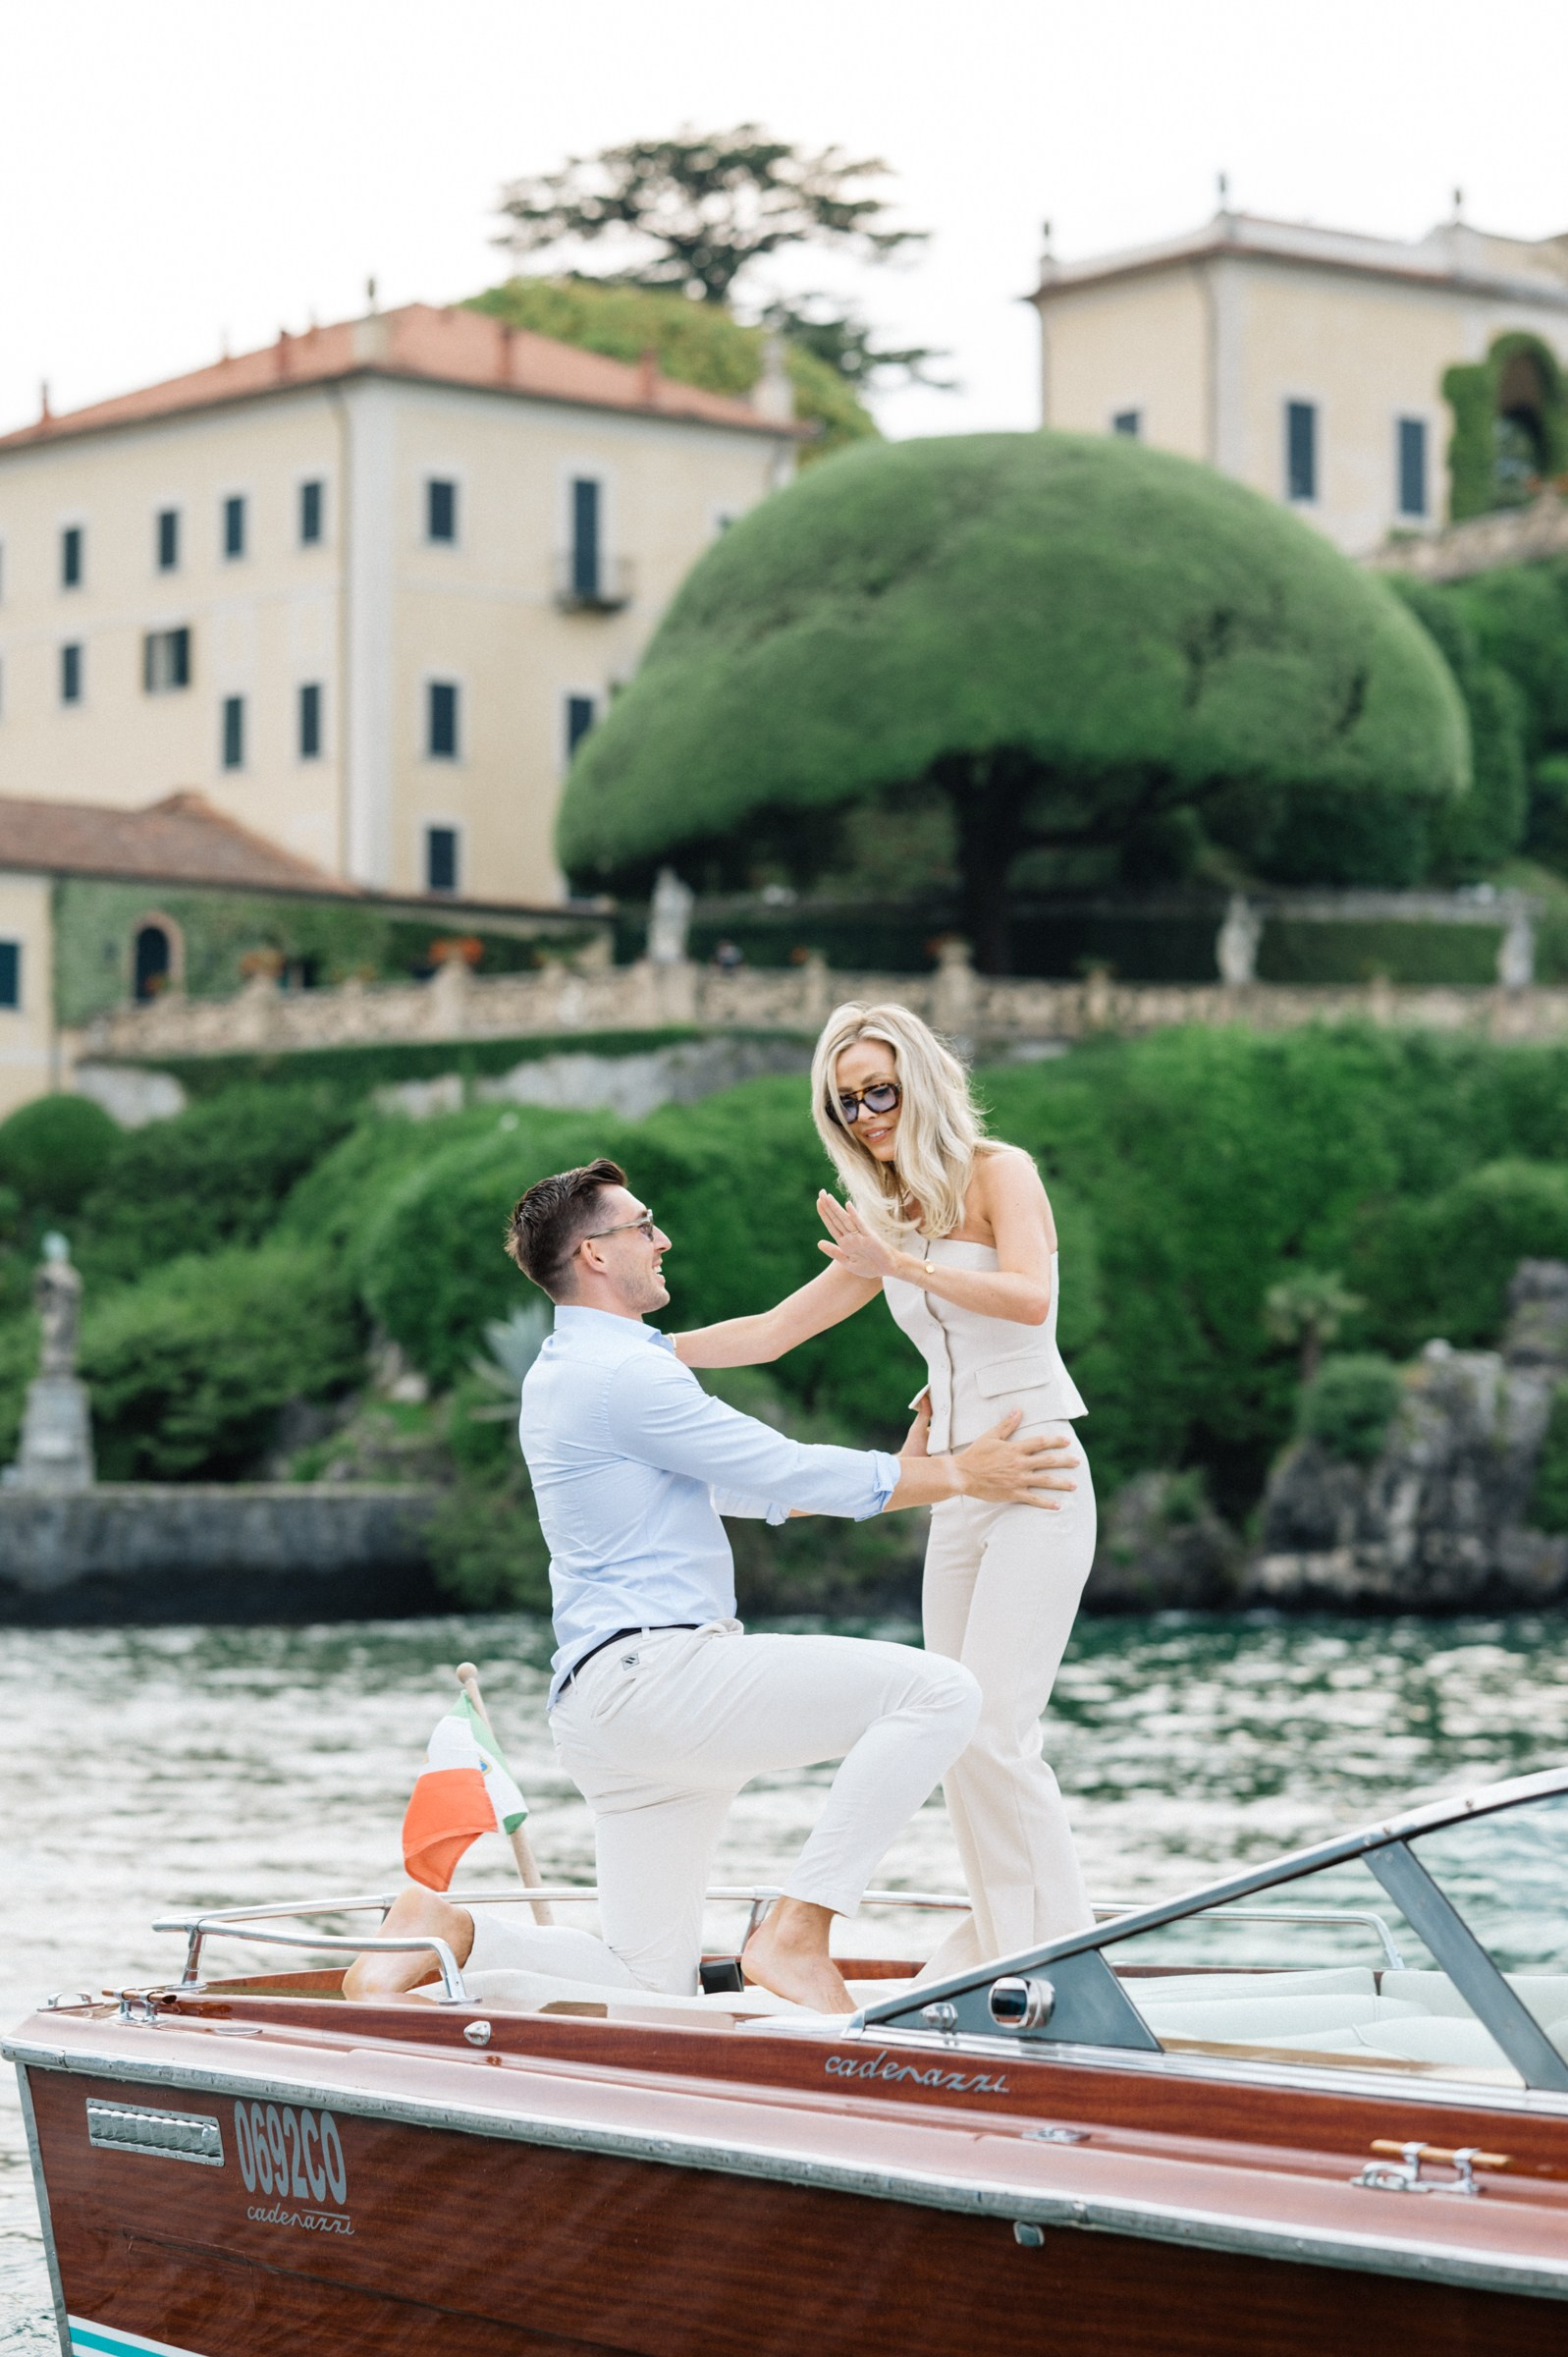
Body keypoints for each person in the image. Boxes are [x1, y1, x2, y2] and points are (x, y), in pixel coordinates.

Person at [346, 1155, 1078, 2017]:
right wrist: (960, 1473)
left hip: (605, 1712)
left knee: (643, 1980)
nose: (662, 1240)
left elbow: (751, 1491)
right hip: (661, 1680)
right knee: (941, 1693)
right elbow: (780, 1465)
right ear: (593, 1255)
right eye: (642, 1226)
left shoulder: (566, 1370)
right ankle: (799, 1928)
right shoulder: (627, 1374)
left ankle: (450, 1931)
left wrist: (911, 1467)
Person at [676, 1003, 1095, 1980]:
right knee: (956, 1731)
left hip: (1034, 1466)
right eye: (845, 1100)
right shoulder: (883, 1215)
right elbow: (775, 1332)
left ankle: (1057, 1963)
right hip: (955, 1484)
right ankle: (1013, 1955)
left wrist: (899, 1266)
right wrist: (639, 1350)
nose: (865, 1114)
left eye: (880, 1091)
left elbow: (1032, 1298)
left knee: (995, 1732)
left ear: (922, 1083)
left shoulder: (1003, 1171)